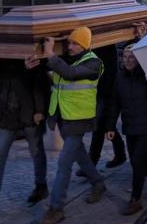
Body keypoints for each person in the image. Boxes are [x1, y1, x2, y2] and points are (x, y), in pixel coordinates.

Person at [0, 32, 50, 216]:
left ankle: (41, 186)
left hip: (28, 114)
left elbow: (41, 85)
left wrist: (40, 111)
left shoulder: (33, 55)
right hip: (6, 116)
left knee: (37, 152)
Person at [37, 27, 107, 224]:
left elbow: (69, 74)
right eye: (69, 43)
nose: (70, 46)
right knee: (80, 155)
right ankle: (98, 183)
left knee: (64, 164)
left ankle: (56, 207)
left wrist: (50, 53)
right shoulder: (68, 59)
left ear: (85, 45)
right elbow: (55, 74)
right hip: (63, 116)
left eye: (75, 43)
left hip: (79, 119)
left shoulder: (94, 63)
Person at [104, 44, 147, 215]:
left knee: (137, 161)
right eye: (126, 57)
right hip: (130, 127)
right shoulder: (119, 77)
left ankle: (135, 199)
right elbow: (114, 103)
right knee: (139, 161)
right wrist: (110, 126)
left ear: (139, 59)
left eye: (132, 57)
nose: (128, 60)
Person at [79, 44, 127, 178]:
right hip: (98, 88)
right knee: (105, 125)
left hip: (105, 89)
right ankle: (119, 154)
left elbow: (109, 70)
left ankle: (92, 163)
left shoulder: (106, 46)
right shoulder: (100, 45)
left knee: (99, 125)